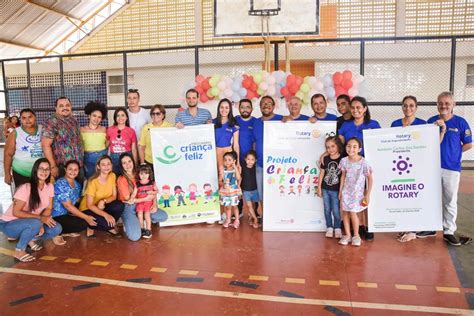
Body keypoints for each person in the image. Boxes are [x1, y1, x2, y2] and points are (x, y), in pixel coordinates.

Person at [427, 91, 472, 246]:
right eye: (440, 103)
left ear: (454, 105)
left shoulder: (461, 123)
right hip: (432, 167)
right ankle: (430, 227)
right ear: (437, 105)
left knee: (450, 200)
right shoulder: (431, 121)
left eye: (447, 103)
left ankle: (449, 231)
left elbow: (468, 143)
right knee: (431, 198)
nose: (443, 106)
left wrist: (455, 153)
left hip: (452, 168)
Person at [0, 158, 62, 262]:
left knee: (56, 229)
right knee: (35, 224)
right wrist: (40, 220)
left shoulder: (50, 186)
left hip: (31, 222)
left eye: (47, 169)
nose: (44, 172)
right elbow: (16, 212)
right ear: (35, 170)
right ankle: (19, 250)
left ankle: (30, 238)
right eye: (41, 169)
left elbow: (49, 208)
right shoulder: (26, 187)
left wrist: (41, 223)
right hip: (9, 224)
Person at [338, 96, 380, 240]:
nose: (355, 110)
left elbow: (381, 143)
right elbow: (340, 145)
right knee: (352, 197)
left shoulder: (373, 124)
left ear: (365, 109)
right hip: (350, 167)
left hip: (366, 166)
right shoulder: (345, 125)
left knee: (366, 196)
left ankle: (368, 226)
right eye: (353, 107)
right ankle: (358, 226)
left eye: (358, 107)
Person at [117, 152, 168, 242]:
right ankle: (132, 220)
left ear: (133, 161)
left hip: (145, 204)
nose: (128, 165)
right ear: (121, 166)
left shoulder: (141, 173)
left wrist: (155, 203)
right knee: (135, 236)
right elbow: (129, 200)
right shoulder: (121, 179)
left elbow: (152, 188)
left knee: (163, 216)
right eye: (124, 163)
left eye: (129, 161)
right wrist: (146, 198)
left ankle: (142, 218)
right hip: (130, 207)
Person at [51, 160, 97, 244]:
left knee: (88, 218)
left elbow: (77, 201)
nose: (73, 172)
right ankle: (56, 232)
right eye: (70, 169)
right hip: (56, 216)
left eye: (76, 170)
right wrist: (86, 217)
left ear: (79, 171)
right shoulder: (60, 183)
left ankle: (65, 230)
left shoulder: (77, 184)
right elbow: (68, 206)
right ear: (65, 169)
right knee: (83, 222)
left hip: (67, 214)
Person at [338, 138, 373, 247]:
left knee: (353, 212)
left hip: (357, 193)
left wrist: (367, 194)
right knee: (345, 213)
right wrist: (340, 190)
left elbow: (370, 179)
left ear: (359, 149)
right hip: (346, 191)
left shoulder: (364, 162)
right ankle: (347, 235)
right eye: (348, 146)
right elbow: (343, 175)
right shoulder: (344, 161)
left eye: (354, 147)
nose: (351, 149)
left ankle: (356, 235)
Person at [79, 155, 124, 237]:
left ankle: (109, 224)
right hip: (88, 209)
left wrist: (104, 201)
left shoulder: (112, 175)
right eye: (103, 164)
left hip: (102, 206)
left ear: (111, 165)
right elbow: (89, 205)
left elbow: (114, 196)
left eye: (108, 164)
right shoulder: (93, 182)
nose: (106, 167)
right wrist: (106, 215)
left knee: (119, 205)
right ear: (98, 167)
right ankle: (90, 226)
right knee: (108, 225)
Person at [41, 96, 84, 182]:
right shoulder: (50, 122)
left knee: (78, 191)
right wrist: (53, 166)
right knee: (63, 193)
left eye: (67, 105)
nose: (65, 108)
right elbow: (45, 145)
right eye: (61, 106)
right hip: (62, 168)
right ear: (55, 108)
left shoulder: (74, 121)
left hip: (78, 166)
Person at [252, 96, 283, 207]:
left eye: (269, 103)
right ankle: (265, 216)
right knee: (261, 193)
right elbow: (254, 143)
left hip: (277, 165)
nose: (266, 105)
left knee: (277, 192)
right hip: (260, 164)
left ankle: (276, 216)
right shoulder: (256, 122)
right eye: (263, 103)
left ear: (274, 106)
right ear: (260, 106)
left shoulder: (282, 120)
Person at [4, 108, 43, 188]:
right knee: (23, 199)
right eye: (24, 118)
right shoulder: (15, 132)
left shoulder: (43, 129)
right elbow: (8, 154)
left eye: (30, 117)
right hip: (21, 172)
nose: (27, 120)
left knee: (41, 198)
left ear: (35, 117)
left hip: (42, 173)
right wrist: (7, 173)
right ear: (20, 120)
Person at [317, 136, 343, 239]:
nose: (330, 149)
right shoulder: (326, 159)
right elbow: (322, 173)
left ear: (338, 146)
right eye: (327, 147)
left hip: (336, 190)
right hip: (325, 188)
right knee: (327, 209)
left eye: (333, 146)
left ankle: (337, 228)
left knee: (336, 210)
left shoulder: (342, 159)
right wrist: (319, 187)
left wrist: (341, 190)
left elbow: (343, 176)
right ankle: (329, 227)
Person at [81, 101, 108, 179]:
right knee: (91, 180)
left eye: (99, 117)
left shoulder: (104, 129)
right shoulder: (82, 130)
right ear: (89, 116)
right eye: (94, 116)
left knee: (103, 179)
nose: (96, 119)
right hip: (88, 159)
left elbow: (107, 143)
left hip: (102, 157)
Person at [129, 164, 157, 239]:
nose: (144, 175)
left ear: (149, 174)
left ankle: (148, 229)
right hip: (140, 203)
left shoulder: (152, 182)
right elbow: (134, 193)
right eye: (141, 173)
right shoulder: (137, 184)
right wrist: (132, 198)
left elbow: (156, 191)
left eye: (146, 173)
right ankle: (142, 229)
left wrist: (152, 192)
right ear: (138, 174)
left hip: (148, 203)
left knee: (147, 215)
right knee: (140, 215)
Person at [107, 107, 138, 174]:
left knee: (127, 179)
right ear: (115, 118)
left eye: (123, 115)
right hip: (114, 159)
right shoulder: (109, 130)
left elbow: (134, 149)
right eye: (118, 115)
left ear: (126, 117)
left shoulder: (131, 131)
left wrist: (135, 163)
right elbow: (106, 145)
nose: (120, 117)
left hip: (127, 159)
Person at [213, 98, 240, 169]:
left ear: (230, 109)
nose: (224, 110)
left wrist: (238, 162)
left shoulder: (234, 124)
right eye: (221, 107)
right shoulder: (212, 123)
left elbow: (236, 145)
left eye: (226, 108)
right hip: (215, 153)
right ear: (218, 108)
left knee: (228, 177)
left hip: (228, 154)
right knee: (217, 176)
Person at [219, 151, 242, 228]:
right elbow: (220, 180)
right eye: (225, 160)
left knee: (235, 206)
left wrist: (235, 167)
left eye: (229, 160)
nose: (227, 161)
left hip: (233, 191)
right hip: (226, 191)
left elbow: (238, 178)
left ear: (234, 161)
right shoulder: (223, 170)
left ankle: (237, 220)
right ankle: (228, 219)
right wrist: (221, 173)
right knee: (227, 207)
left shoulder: (235, 169)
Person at [241, 150, 260, 229]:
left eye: (252, 159)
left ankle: (251, 216)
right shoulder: (242, 167)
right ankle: (255, 219)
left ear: (255, 160)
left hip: (255, 190)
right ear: (245, 159)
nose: (250, 161)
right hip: (246, 191)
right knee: (249, 206)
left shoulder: (257, 168)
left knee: (254, 204)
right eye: (248, 159)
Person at [235, 99, 257, 163]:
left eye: (248, 107)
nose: (245, 110)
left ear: (252, 109)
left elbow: (256, 141)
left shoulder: (256, 122)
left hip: (250, 161)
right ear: (239, 109)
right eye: (242, 107)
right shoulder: (234, 120)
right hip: (236, 159)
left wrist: (254, 159)